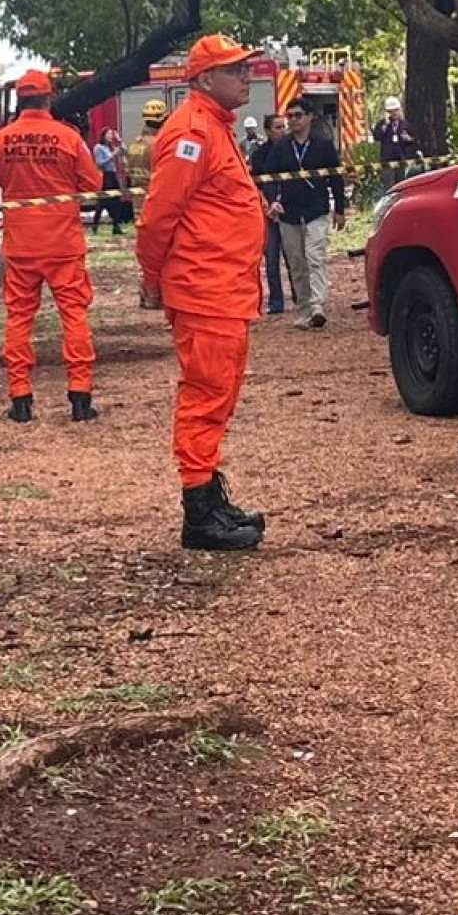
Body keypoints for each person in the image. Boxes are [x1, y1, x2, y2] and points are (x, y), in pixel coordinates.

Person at [137, 36, 271, 552]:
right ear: (204, 79)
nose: (247, 76)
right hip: (207, 290)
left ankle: (209, 497)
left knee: (218, 394)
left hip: (225, 288)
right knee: (205, 396)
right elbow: (157, 217)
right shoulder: (192, 132)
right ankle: (198, 512)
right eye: (235, 69)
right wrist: (153, 277)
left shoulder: (214, 129)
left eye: (246, 68)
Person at [0, 72, 100, 424]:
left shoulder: (0, 140)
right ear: (49, 98)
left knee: (18, 319)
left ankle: (20, 400)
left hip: (21, 245)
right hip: (63, 243)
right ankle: (80, 396)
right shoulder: (68, 137)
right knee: (74, 316)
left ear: (19, 100)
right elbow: (92, 183)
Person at [254, 100, 347, 329]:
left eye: (297, 115)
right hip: (289, 212)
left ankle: (318, 305)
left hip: (316, 209)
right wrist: (273, 201)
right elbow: (270, 177)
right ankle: (303, 309)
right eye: (290, 116)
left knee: (315, 256)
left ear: (309, 117)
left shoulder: (323, 145)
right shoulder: (282, 147)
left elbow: (335, 177)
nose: (293, 120)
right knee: (296, 262)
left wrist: (340, 210)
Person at [254, 114, 289, 315]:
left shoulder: (290, 151)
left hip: (288, 211)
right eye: (277, 127)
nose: (282, 131)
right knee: (272, 258)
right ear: (268, 131)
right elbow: (256, 184)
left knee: (294, 257)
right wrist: (267, 205)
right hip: (267, 212)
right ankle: (276, 302)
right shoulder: (260, 154)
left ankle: (299, 297)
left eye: (283, 127)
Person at [93, 127, 133, 235]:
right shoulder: (99, 147)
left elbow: (124, 150)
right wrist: (112, 155)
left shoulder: (112, 147)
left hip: (114, 174)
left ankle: (116, 226)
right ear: (104, 135)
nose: (111, 136)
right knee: (102, 202)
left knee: (117, 200)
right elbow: (99, 163)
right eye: (109, 134)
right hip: (105, 176)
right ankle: (95, 224)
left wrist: (119, 140)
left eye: (112, 134)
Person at [374, 96, 418, 170]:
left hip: (401, 160)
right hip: (387, 161)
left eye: (396, 110)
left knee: (401, 181)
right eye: (391, 111)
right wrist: (385, 125)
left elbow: (413, 140)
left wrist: (408, 139)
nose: (394, 113)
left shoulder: (405, 124)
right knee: (388, 180)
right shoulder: (382, 124)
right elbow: (377, 137)